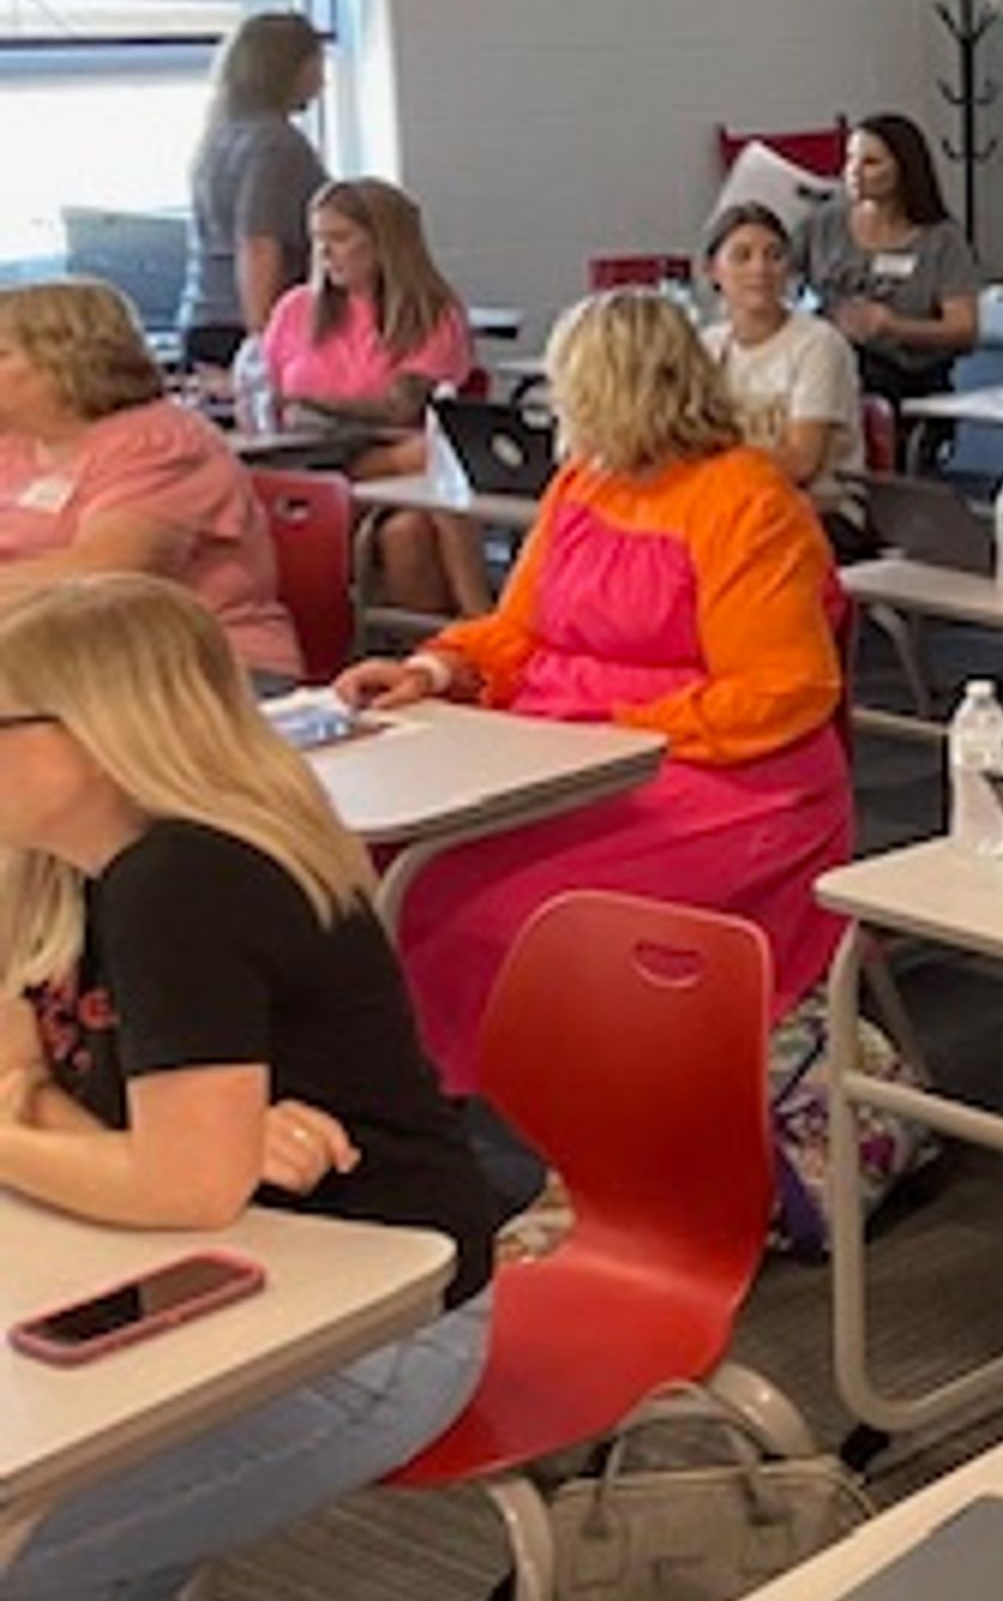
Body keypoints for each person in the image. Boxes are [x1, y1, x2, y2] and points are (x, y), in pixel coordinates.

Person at [0, 575, 501, 1601]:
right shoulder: (54, 863)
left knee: (23, 1589)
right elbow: (29, 1086)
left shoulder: (185, 878)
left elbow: (175, 1184)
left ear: (103, 735)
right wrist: (135, 1142)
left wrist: (145, 1153)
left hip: (372, 1325)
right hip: (229, 1267)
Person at [334, 291, 850, 1092]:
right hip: (573, 745)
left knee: (500, 907)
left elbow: (782, 693)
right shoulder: (584, 484)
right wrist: (434, 670)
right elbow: (518, 632)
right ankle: (418, 1088)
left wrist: (617, 728)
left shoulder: (749, 503)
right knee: (385, 860)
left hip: (728, 779)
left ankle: (561, 1114)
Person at [0, 279, 297, 679]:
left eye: (1, 355)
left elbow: (105, 573)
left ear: (68, 360)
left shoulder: (161, 443)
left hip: (188, 674)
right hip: (53, 665)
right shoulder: (15, 442)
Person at [255, 174, 489, 616]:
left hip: (383, 463)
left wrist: (312, 401)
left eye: (340, 238)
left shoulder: (430, 312)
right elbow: (263, 391)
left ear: (384, 244)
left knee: (408, 532)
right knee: (428, 466)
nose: (325, 253)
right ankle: (479, 617)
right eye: (318, 239)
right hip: (304, 463)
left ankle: (440, 651)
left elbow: (401, 407)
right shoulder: (295, 309)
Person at [797, 112, 981, 424]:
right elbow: (779, 278)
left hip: (903, 375)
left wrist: (893, 327)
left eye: (871, 163)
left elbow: (964, 330)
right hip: (823, 359)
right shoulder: (823, 223)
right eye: (850, 160)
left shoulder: (941, 239)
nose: (854, 172)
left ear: (902, 170)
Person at [700, 199, 864, 537]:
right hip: (736, 502)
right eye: (742, 256)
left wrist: (709, 465)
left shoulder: (818, 345)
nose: (760, 269)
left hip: (817, 512)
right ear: (713, 271)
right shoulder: (706, 347)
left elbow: (802, 463)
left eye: (774, 256)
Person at [178, 8, 328, 364]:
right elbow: (259, 244)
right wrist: (262, 344)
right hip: (245, 323)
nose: (322, 81)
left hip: (204, 313)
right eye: (316, 65)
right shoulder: (277, 144)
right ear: (291, 70)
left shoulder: (218, 137)